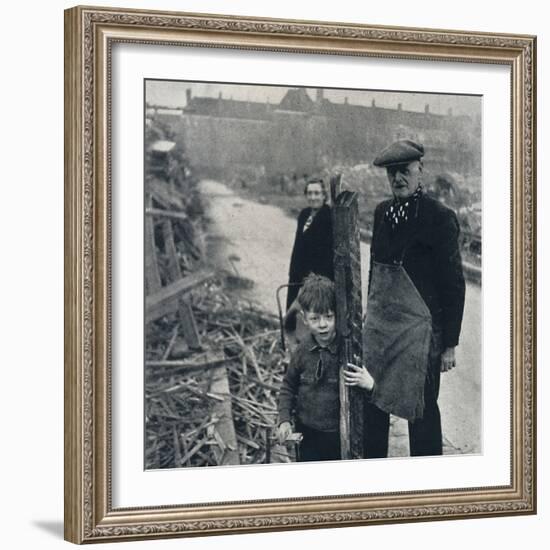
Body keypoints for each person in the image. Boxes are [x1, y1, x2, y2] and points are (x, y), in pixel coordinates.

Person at [363, 139, 465, 458]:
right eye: (392, 173)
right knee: (374, 401)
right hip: (383, 332)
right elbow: (374, 274)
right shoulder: (382, 213)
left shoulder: (439, 217)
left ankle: (427, 480)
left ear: (420, 170)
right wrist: (370, 317)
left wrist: (449, 343)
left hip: (422, 337)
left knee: (420, 411)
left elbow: (454, 283)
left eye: (405, 171)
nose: (398, 179)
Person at [277, 274, 374, 462]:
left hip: (339, 435)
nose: (323, 325)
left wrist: (370, 385)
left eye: (329, 317)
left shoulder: (349, 352)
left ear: (337, 314)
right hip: (307, 432)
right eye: (315, 319)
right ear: (304, 320)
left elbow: (370, 396)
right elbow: (288, 387)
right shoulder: (302, 351)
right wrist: (284, 419)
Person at [285, 178, 334, 332]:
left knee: (313, 318)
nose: (313, 197)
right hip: (297, 276)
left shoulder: (329, 217)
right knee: (293, 317)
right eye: (310, 193)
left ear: (324, 195)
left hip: (316, 280)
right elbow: (298, 246)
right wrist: (294, 273)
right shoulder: (304, 214)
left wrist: (309, 283)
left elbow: (325, 255)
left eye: (317, 193)